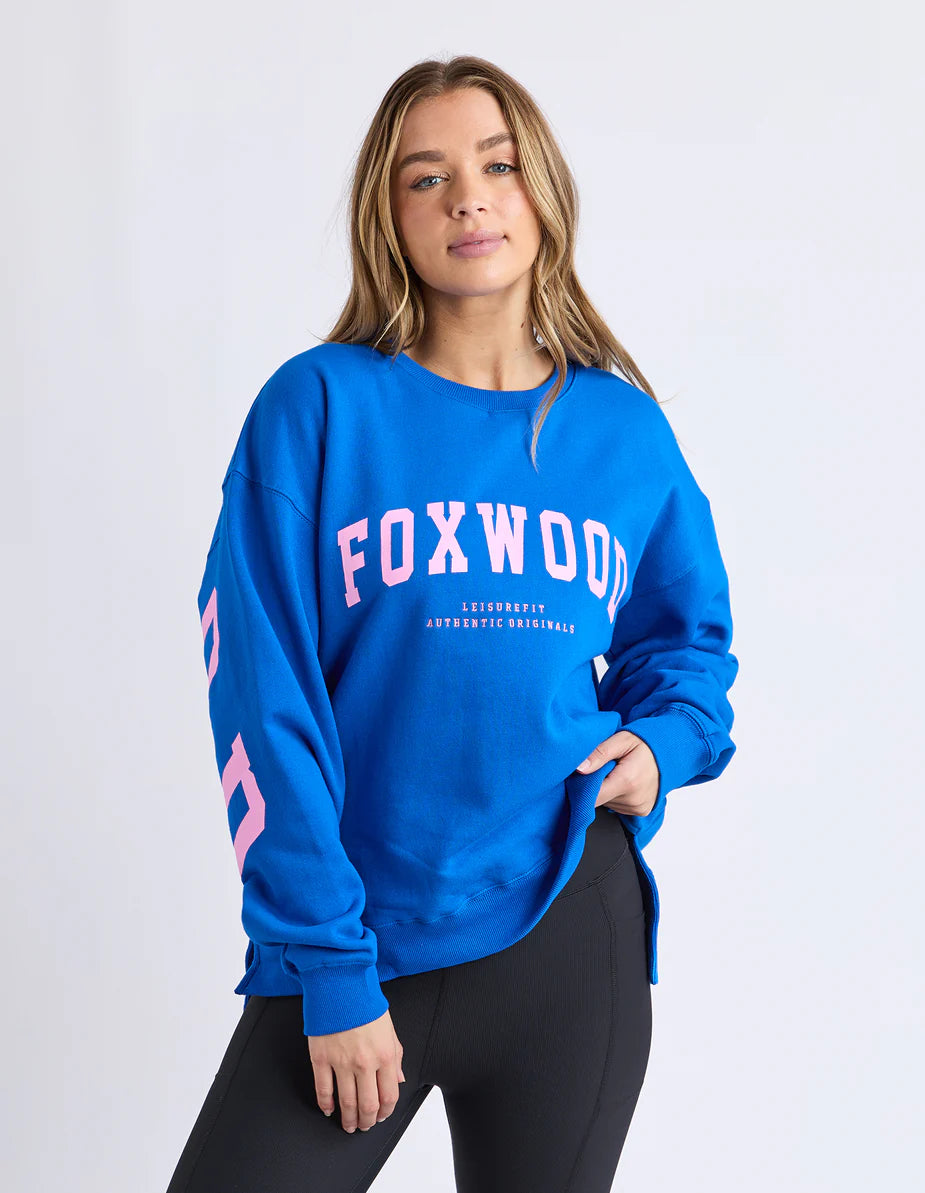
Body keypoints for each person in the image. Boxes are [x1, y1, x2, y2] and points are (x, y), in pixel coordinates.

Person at [166, 55, 738, 1193]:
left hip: (570, 938)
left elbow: (688, 644)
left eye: (497, 166)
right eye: (426, 178)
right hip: (357, 941)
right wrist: (329, 967)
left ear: (542, 191)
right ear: (389, 215)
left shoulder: (621, 431)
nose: (468, 199)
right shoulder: (319, 408)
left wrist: (662, 745)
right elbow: (262, 702)